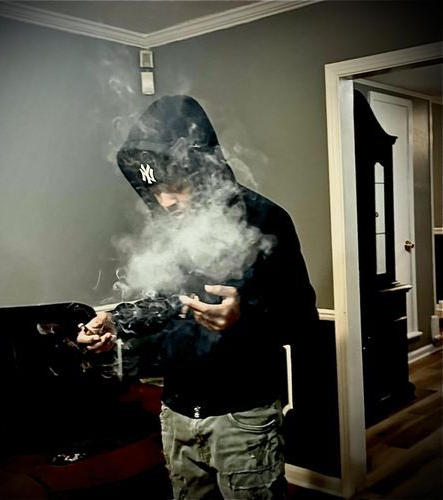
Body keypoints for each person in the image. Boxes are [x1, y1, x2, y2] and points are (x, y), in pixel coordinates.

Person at [77, 95, 319, 499]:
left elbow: (301, 322)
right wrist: (116, 322)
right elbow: (166, 302)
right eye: (156, 189)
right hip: (176, 415)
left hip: (243, 417)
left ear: (205, 173)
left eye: (177, 186)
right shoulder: (170, 227)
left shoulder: (267, 219)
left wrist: (243, 316)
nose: (166, 201)